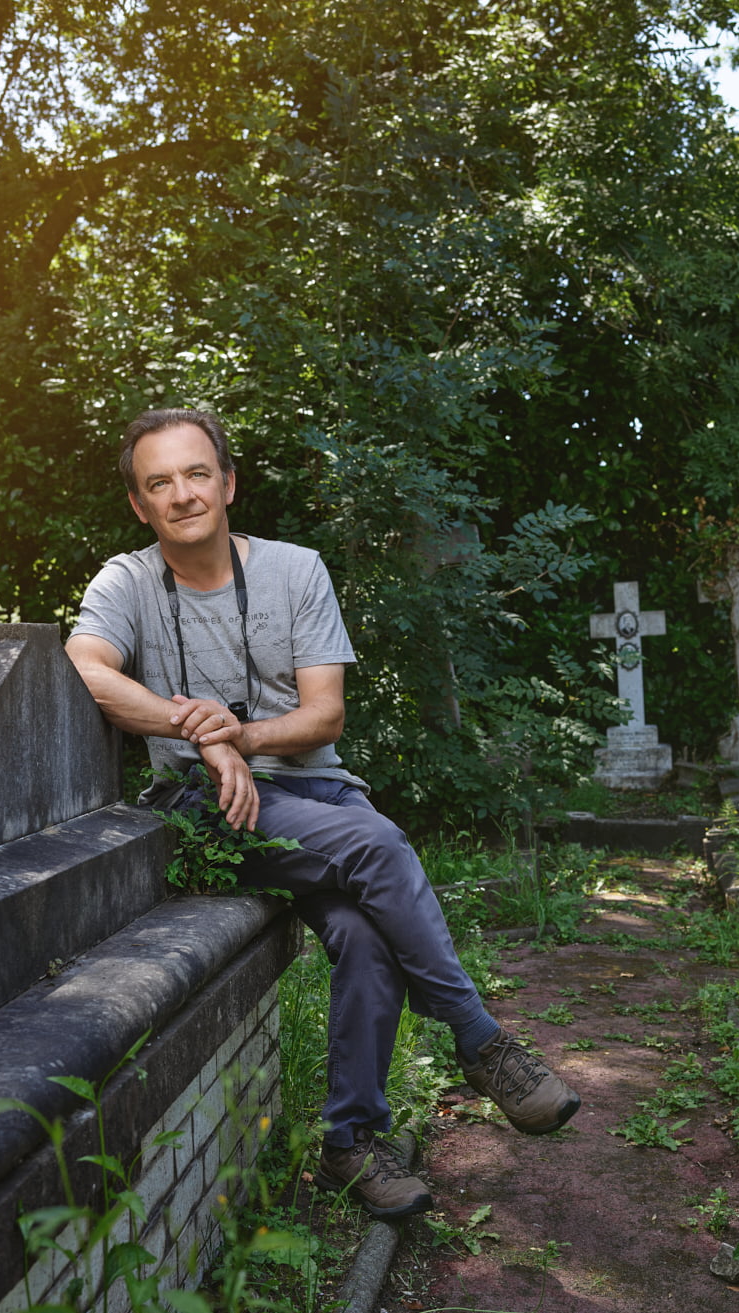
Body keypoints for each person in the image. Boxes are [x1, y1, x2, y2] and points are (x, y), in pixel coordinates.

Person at [65, 407, 580, 1220]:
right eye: (159, 482)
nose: (182, 494)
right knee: (378, 847)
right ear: (139, 504)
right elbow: (86, 671)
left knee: (367, 940)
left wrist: (238, 732)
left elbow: (323, 718)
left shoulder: (294, 570)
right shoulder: (125, 582)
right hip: (209, 804)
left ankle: (348, 1142)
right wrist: (202, 735)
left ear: (228, 483)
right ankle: (480, 1040)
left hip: (317, 794)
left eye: (197, 474)